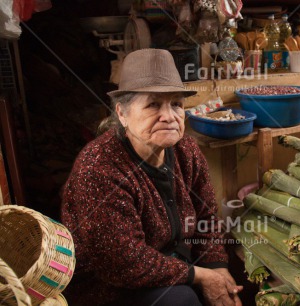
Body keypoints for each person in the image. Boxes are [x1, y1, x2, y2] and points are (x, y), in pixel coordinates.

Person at [61, 48, 243, 306]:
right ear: (122, 114)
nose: (169, 116)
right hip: (113, 286)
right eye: (153, 104)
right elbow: (123, 262)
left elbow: (206, 217)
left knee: (233, 281)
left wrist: (218, 269)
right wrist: (200, 276)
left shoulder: (186, 151)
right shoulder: (98, 167)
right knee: (181, 301)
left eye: (176, 104)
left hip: (173, 265)